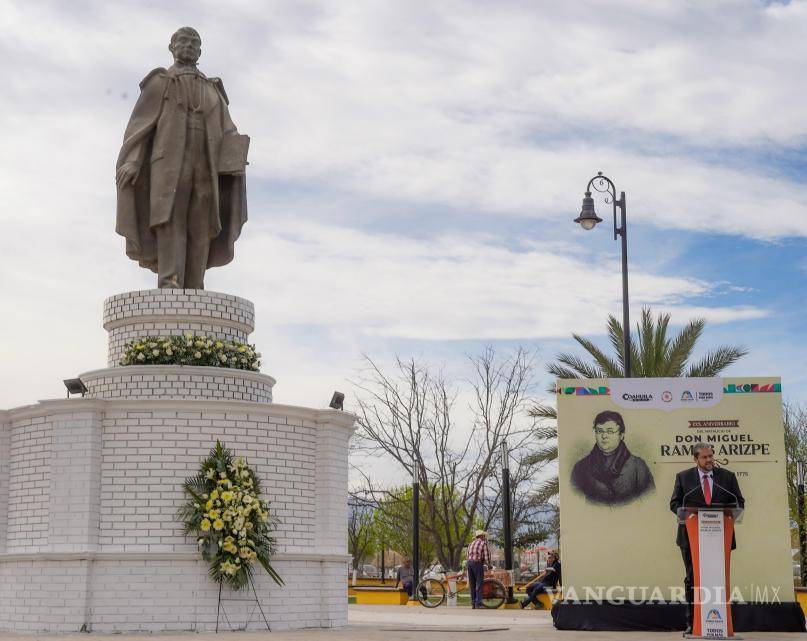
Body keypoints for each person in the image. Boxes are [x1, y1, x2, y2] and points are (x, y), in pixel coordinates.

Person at [116, 27, 248, 289]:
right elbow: (140, 126)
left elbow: (228, 129)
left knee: (202, 220)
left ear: (200, 51)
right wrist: (132, 159)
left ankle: (195, 283)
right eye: (183, 41)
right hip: (169, 163)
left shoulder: (212, 89)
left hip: (205, 162)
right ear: (172, 47)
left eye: (194, 42)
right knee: (170, 218)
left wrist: (236, 152)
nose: (188, 46)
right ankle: (170, 281)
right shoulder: (160, 81)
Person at [669, 442, 744, 635]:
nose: (709, 460)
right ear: (695, 459)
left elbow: (738, 502)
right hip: (691, 538)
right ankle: (692, 623)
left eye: (711, 456)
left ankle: (722, 623)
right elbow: (675, 503)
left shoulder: (727, 477)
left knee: (719, 578)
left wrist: (729, 512)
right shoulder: (683, 477)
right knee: (692, 579)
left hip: (720, 537)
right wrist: (687, 514)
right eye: (704, 457)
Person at [571, 410, 655, 505]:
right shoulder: (581, 467)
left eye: (610, 431)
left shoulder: (638, 467)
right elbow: (573, 504)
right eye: (599, 431)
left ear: (621, 435)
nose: (604, 436)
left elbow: (651, 501)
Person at [466, 530, 491, 609]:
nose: (484, 537)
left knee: (472, 584)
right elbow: (487, 556)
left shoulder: (471, 543)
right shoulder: (483, 543)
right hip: (477, 563)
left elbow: (467, 555)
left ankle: (473, 603)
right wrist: (489, 565)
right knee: (479, 584)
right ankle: (478, 604)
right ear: (481, 536)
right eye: (484, 536)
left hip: (469, 563)